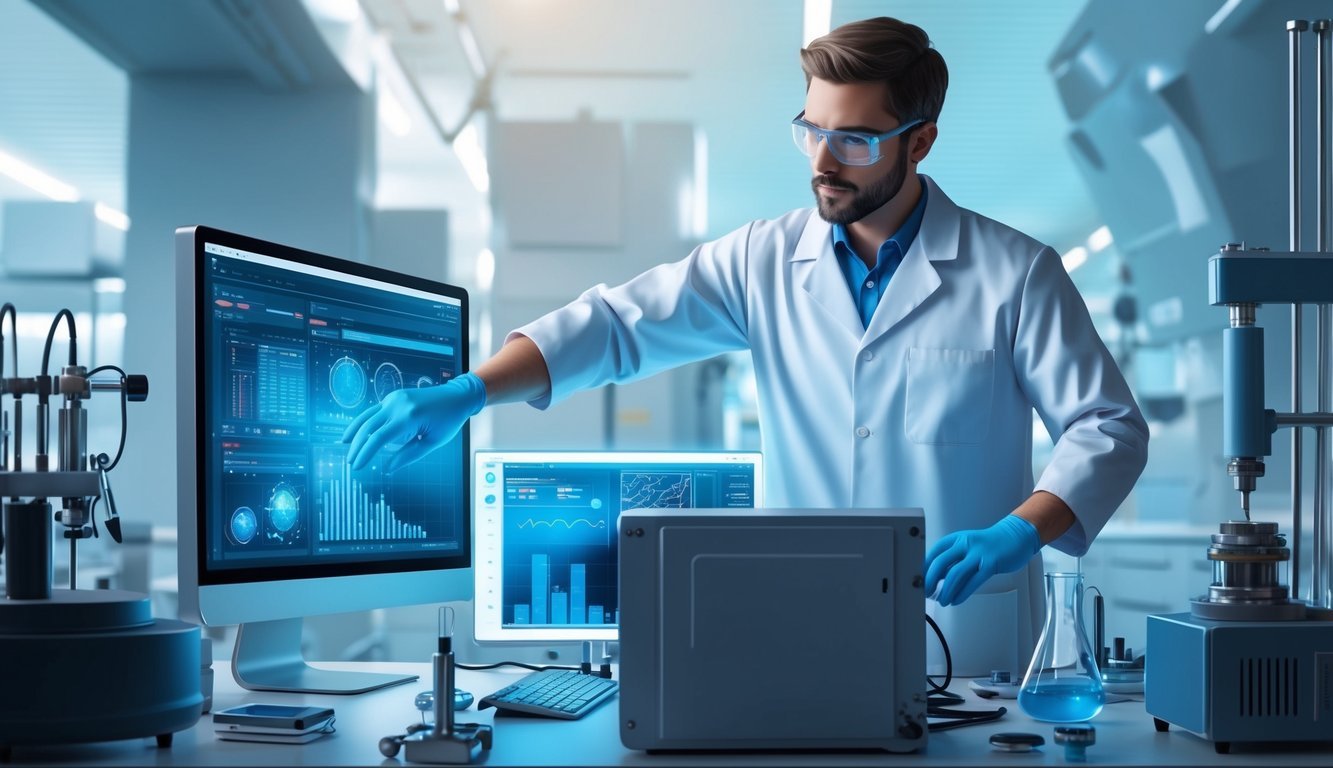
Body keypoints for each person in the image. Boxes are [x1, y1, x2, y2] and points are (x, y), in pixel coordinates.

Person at [343, 16, 1148, 676]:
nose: (824, 163)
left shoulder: (1014, 273)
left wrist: (1017, 531)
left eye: (855, 141)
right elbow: (620, 325)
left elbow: (1105, 427)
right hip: (805, 631)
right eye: (811, 131)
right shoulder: (763, 260)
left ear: (920, 141)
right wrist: (471, 390)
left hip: (967, 644)